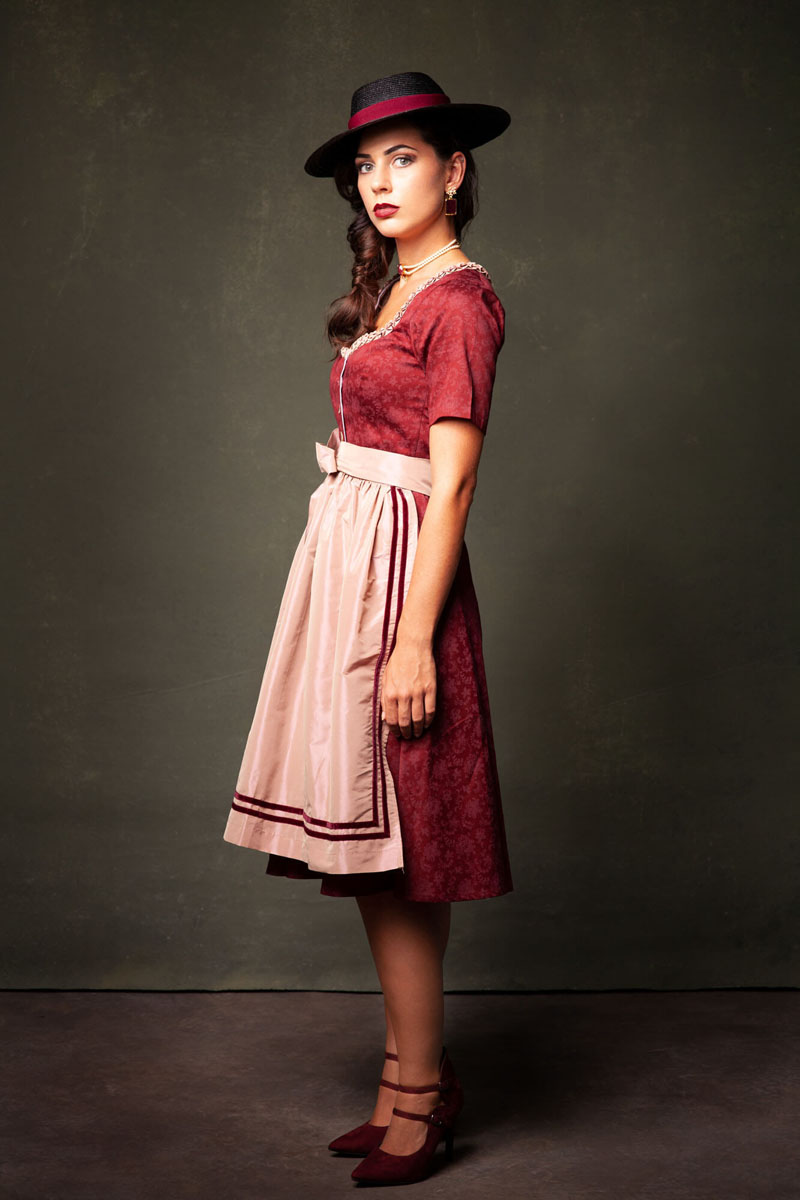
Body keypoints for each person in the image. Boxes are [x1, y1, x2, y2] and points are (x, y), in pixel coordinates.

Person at [222, 71, 514, 1186]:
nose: (380, 180)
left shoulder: (459, 300)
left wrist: (405, 639)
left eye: (404, 158)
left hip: (402, 587)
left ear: (451, 171)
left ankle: (422, 1097)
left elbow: (453, 490)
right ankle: (408, 1079)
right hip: (349, 568)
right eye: (366, 164)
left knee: (404, 854)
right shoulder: (393, 294)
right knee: (387, 854)